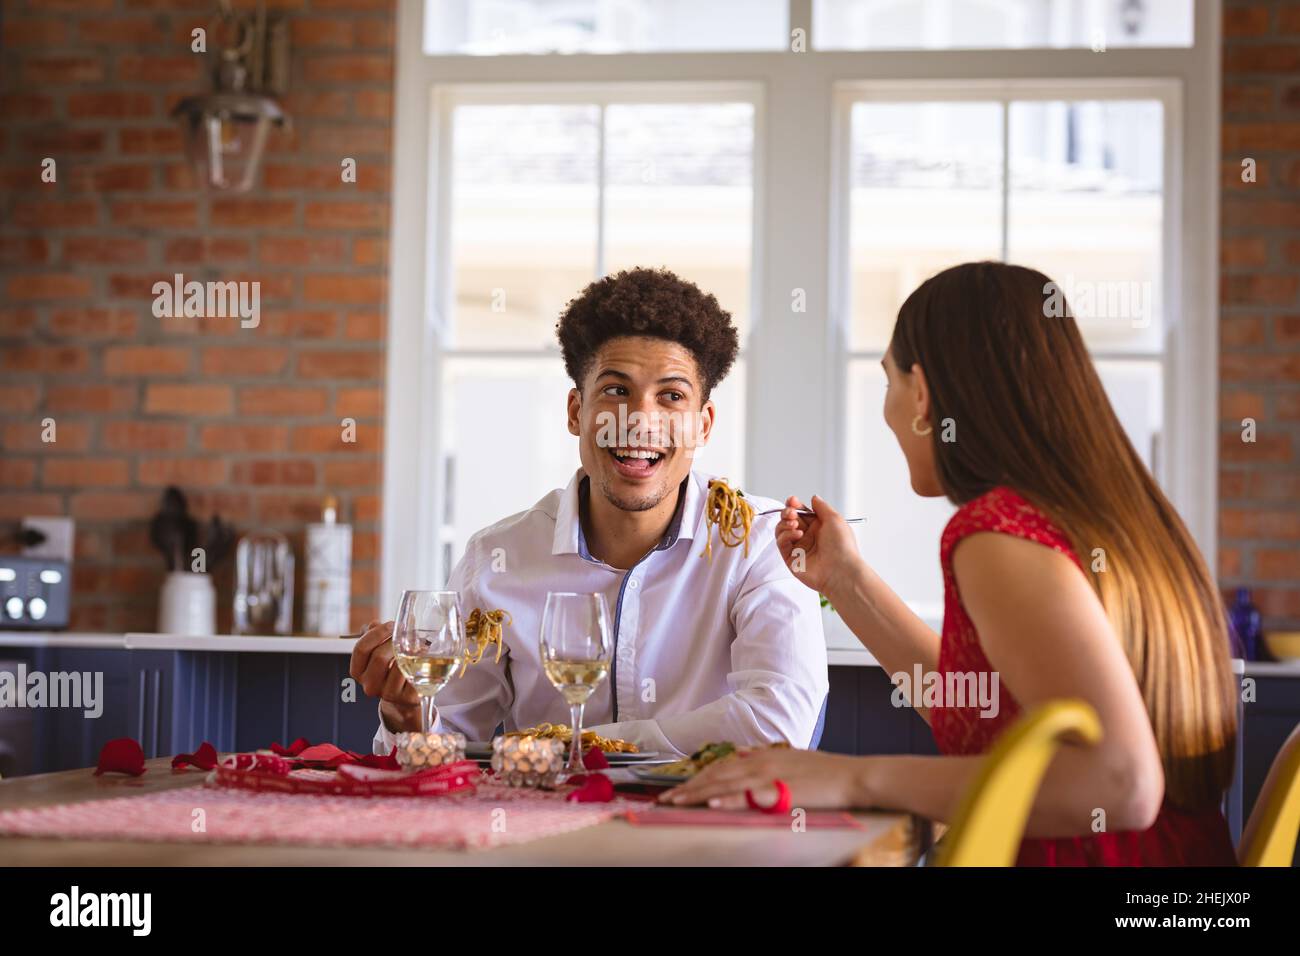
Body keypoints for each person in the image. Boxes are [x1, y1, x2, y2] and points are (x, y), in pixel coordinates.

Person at [664, 261, 1239, 866]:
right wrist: (845, 579)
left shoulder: (997, 533)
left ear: (924, 391)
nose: (887, 411)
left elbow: (1121, 784)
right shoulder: (1130, 518)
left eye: (889, 381)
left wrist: (851, 777)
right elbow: (983, 700)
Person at [351, 267, 828, 757]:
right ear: (576, 412)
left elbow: (778, 723)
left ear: (703, 425)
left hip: (709, 825)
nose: (640, 420)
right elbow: (441, 743)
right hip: (539, 827)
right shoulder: (497, 557)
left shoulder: (763, 541)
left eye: (671, 396)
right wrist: (405, 714)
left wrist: (580, 747)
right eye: (617, 391)